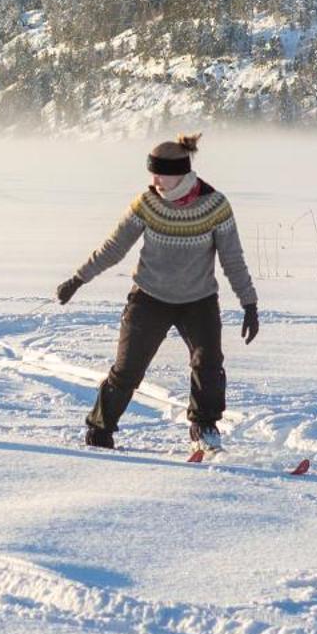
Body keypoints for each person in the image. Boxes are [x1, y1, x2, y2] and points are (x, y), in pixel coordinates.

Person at [55, 133, 259, 453]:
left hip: (199, 300)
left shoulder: (215, 206)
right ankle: (100, 429)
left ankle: (204, 426)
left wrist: (249, 303)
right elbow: (114, 247)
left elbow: (232, 258)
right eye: (152, 173)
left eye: (159, 173)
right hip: (149, 298)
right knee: (127, 369)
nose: (154, 180)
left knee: (208, 364)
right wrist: (79, 279)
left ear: (179, 173)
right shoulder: (147, 204)